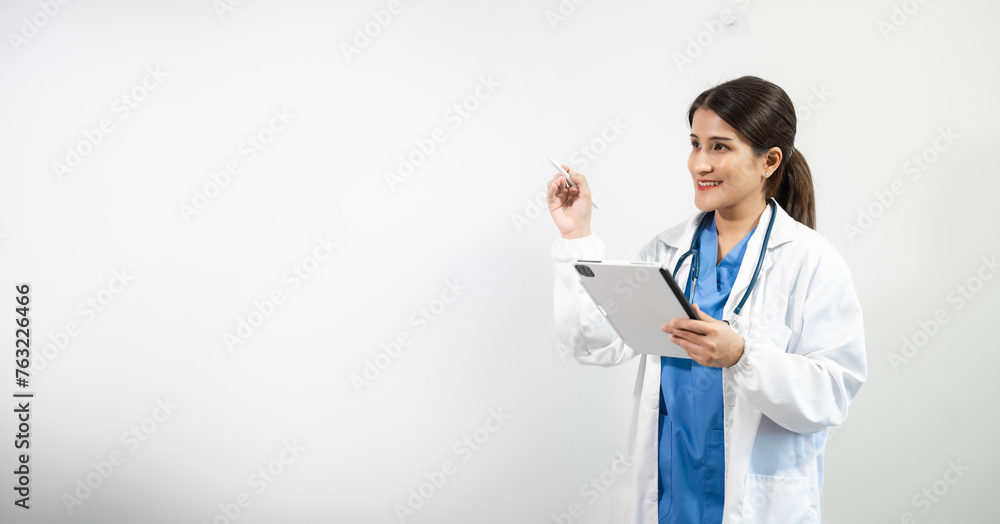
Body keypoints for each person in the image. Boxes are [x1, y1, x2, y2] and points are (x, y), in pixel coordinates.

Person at [547, 76, 867, 524]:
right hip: (669, 502)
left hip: (754, 508)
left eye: (720, 147)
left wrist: (742, 355)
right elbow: (593, 340)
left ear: (769, 161)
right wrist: (576, 236)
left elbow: (832, 395)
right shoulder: (666, 252)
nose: (699, 163)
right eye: (695, 144)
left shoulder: (811, 262)